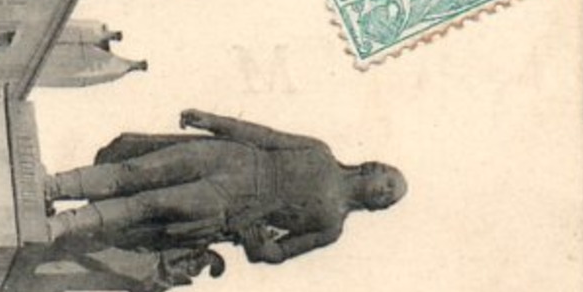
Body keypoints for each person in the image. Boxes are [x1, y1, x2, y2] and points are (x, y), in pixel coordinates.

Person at [41, 109, 406, 263]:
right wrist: (213, 121)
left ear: (378, 209)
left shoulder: (331, 227)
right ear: (373, 166)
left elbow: (277, 255)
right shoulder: (319, 152)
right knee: (133, 170)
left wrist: (258, 243)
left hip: (230, 202)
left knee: (148, 205)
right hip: (231, 157)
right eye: (388, 180)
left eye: (388, 197)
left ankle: (65, 224)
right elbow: (264, 135)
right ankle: (55, 186)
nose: (384, 190)